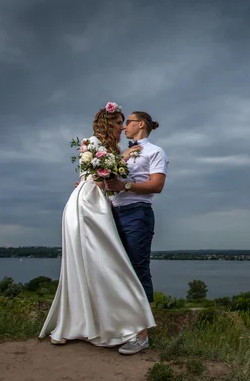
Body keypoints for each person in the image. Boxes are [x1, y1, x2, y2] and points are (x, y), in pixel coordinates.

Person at [39, 103, 156, 349]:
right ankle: (103, 323)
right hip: (88, 205)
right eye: (118, 124)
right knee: (104, 261)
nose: (122, 128)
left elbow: (104, 176)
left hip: (98, 203)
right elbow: (95, 175)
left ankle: (112, 323)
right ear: (108, 123)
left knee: (102, 262)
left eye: (125, 123)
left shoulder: (114, 148)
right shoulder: (92, 142)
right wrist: (95, 176)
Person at [104, 110, 168, 355]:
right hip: (114, 213)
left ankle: (141, 336)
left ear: (140, 124)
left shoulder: (155, 152)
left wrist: (125, 185)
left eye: (127, 122)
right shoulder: (122, 153)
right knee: (118, 270)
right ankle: (122, 329)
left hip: (137, 214)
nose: (123, 127)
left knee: (138, 268)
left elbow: (157, 185)